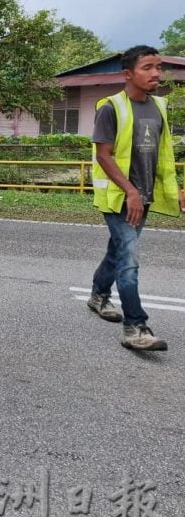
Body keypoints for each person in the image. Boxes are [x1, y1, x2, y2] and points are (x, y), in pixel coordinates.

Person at [89, 45, 185, 351]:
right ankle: (135, 327)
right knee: (128, 262)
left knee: (117, 252)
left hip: (144, 196)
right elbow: (104, 156)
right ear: (128, 74)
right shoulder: (111, 108)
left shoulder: (158, 108)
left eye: (158, 66)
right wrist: (130, 191)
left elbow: (162, 155)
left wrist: (175, 189)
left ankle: (97, 295)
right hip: (119, 198)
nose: (156, 73)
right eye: (147, 67)